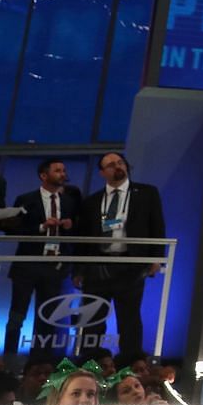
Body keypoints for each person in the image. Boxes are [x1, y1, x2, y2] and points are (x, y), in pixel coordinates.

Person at [76, 151, 166, 361]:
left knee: (129, 316)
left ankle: (131, 361)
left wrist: (156, 257)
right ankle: (93, 361)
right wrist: (79, 268)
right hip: (98, 264)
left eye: (120, 162)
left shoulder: (146, 193)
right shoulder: (92, 201)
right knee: (93, 316)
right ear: (102, 173)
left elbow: (157, 226)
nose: (118, 167)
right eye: (111, 165)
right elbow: (83, 237)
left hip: (130, 263)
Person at [6, 159, 83, 367]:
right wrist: (41, 226)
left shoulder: (70, 202)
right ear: (44, 175)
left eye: (64, 170)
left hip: (54, 266)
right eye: (58, 170)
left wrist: (70, 225)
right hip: (27, 264)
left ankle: (40, 364)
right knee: (17, 315)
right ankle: (9, 361)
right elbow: (13, 229)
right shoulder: (26, 199)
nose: (62, 173)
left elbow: (80, 231)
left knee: (47, 317)